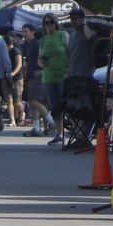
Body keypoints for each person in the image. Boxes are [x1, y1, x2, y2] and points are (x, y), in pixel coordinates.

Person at [38, 14, 69, 145]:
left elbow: (70, 52)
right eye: (46, 23)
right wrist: (42, 62)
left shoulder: (63, 35)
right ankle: (59, 133)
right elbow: (39, 60)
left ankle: (76, 133)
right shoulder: (43, 40)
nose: (49, 25)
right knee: (55, 106)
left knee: (67, 104)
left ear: (55, 23)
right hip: (49, 76)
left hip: (63, 74)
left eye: (51, 22)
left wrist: (69, 70)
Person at [64, 7, 97, 81]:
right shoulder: (72, 35)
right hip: (72, 75)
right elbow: (71, 55)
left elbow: (90, 37)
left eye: (76, 18)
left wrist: (84, 24)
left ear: (82, 19)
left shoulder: (89, 33)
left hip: (85, 75)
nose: (73, 21)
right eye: (71, 19)